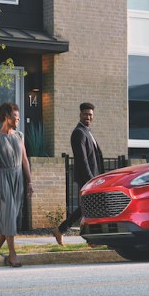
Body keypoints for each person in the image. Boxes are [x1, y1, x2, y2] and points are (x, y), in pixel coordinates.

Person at [0, 102, 34, 267]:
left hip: (18, 178)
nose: (18, 120)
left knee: (11, 219)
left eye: (19, 117)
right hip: (4, 179)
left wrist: (29, 181)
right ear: (6, 117)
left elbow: (25, 160)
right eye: (15, 117)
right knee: (9, 217)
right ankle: (12, 255)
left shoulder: (19, 136)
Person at [50, 102, 103, 245]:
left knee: (87, 208)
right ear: (80, 115)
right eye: (85, 114)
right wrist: (91, 180)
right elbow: (82, 159)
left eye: (90, 114)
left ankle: (62, 230)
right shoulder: (79, 132)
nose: (88, 117)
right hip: (87, 178)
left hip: (93, 177)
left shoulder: (87, 131)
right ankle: (89, 238)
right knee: (89, 207)